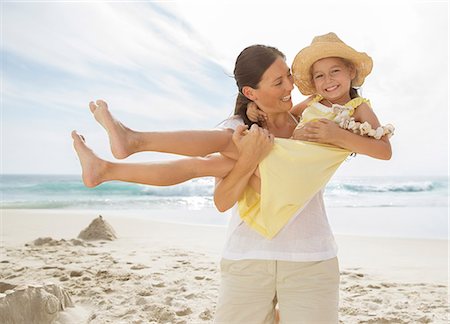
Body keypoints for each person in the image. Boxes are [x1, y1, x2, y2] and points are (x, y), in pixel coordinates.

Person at [72, 33, 392, 322]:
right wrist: (254, 120)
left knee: (212, 157)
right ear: (251, 92)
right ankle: (113, 162)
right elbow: (289, 122)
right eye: (318, 75)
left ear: (352, 71)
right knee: (206, 162)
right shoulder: (293, 109)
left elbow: (383, 149)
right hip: (263, 213)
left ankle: (127, 148)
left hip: (300, 210)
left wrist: (339, 135)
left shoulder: (358, 107)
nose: (323, 81)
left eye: (288, 79)